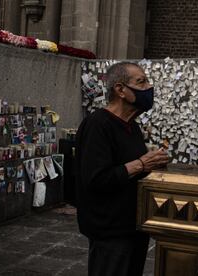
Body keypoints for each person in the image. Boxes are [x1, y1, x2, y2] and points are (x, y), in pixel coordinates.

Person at [75, 62, 169, 276]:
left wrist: (153, 164)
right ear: (120, 90)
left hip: (134, 226)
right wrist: (142, 163)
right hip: (110, 232)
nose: (148, 87)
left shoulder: (132, 126)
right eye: (141, 82)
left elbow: (131, 171)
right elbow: (97, 179)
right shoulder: (98, 125)